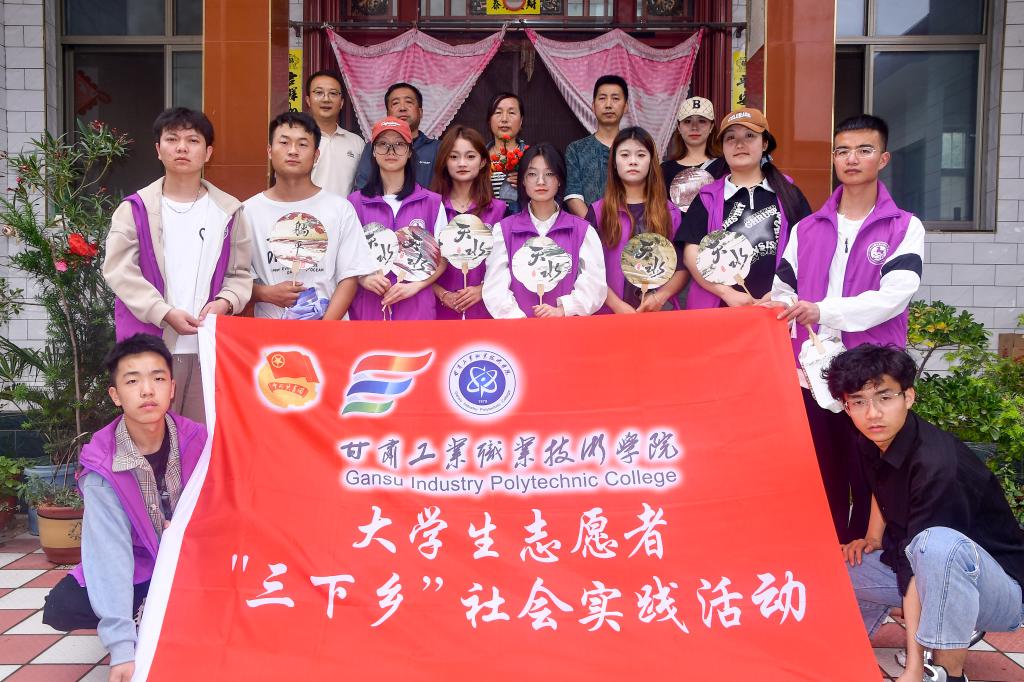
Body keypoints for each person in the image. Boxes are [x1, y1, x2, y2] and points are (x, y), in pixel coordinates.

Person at [770, 114, 924, 543]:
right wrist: (778, 307)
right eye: (842, 151)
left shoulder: (903, 226)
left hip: (873, 374)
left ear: (883, 158)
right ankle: (827, 554)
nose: (851, 159)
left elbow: (895, 296)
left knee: (873, 472)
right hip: (812, 373)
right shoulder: (807, 228)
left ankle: (872, 557)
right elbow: (783, 292)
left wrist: (822, 311)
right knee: (822, 473)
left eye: (864, 150)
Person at [830, 345, 1024, 682]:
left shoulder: (938, 465)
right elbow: (881, 484)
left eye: (884, 397)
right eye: (858, 402)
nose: (872, 413)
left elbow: (920, 566)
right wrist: (872, 538)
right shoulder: (872, 440)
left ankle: (947, 672)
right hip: (928, 563)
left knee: (933, 546)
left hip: (1000, 593)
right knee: (835, 567)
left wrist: (913, 669)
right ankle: (846, 651)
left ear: (908, 397)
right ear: (846, 407)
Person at [41, 335, 208, 682]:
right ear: (116, 395)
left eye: (158, 378)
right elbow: (109, 554)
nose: (147, 390)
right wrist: (121, 649)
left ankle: (178, 616)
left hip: (194, 560)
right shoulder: (103, 466)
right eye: (132, 381)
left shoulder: (202, 441)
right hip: (140, 564)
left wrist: (184, 533)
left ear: (172, 388)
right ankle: (141, 619)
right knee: (63, 605)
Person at [103, 108, 252, 425]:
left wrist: (225, 302)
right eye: (172, 139)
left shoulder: (229, 211)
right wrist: (163, 312)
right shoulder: (135, 209)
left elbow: (240, 274)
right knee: (151, 434)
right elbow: (119, 271)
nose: (182, 147)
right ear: (158, 149)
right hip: (149, 346)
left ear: (208, 152)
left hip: (207, 348)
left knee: (201, 437)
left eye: (193, 140)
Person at [245, 111, 377, 321]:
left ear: (316, 155)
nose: (293, 151)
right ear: (269, 151)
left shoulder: (340, 209)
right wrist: (265, 293)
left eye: (302, 144)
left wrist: (322, 331)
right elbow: (235, 278)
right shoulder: (247, 211)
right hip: (269, 334)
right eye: (284, 143)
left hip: (328, 332)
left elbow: (349, 276)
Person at [675, 107, 811, 308]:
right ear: (723, 147)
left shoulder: (789, 193)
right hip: (720, 310)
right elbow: (691, 253)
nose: (739, 144)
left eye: (749, 136)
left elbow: (808, 248)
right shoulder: (707, 197)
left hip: (778, 310)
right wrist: (727, 293)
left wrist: (781, 291)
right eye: (731, 138)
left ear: (764, 143)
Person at [483, 143, 606, 318]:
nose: (541, 181)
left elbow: (594, 285)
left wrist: (563, 310)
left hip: (567, 328)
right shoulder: (503, 231)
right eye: (532, 174)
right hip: (517, 329)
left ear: (560, 180)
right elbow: (495, 288)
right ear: (522, 180)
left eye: (549, 174)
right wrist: (519, 320)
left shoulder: (582, 231)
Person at [349, 117, 447, 320]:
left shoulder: (432, 202)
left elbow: (443, 259)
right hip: (368, 311)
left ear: (410, 151)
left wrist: (416, 286)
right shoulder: (355, 203)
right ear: (373, 151)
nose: (391, 151)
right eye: (383, 144)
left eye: (399, 144)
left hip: (416, 311)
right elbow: (344, 257)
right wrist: (362, 279)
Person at [587, 127, 685, 313]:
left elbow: (682, 267)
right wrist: (617, 305)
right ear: (614, 162)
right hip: (608, 315)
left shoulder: (669, 212)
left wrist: (659, 297)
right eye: (625, 155)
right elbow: (587, 269)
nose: (633, 161)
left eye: (641, 155)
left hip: (657, 314)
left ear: (651, 161)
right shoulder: (598, 212)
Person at [431, 125, 507, 319]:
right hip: (439, 313)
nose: (462, 163)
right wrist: (442, 294)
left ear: (483, 162)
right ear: (444, 161)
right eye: (454, 157)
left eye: (470, 156)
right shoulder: (431, 207)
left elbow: (508, 266)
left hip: (485, 312)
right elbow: (417, 265)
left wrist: (483, 289)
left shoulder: (499, 210)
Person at [564, 75, 629, 218]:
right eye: (602, 98)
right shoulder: (576, 150)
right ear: (593, 106)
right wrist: (594, 226)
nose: (608, 105)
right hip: (589, 227)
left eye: (615, 98)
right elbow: (573, 196)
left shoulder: (636, 149)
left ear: (626, 106)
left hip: (632, 226)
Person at [354, 83, 440, 190]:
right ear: (388, 114)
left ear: (420, 112)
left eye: (409, 102)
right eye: (395, 103)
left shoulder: (437, 148)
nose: (402, 108)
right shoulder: (373, 147)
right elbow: (363, 189)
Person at [661, 96, 728, 211]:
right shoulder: (664, 170)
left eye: (702, 121)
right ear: (679, 127)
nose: (694, 127)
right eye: (687, 121)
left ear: (711, 126)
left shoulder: (725, 166)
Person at [305, 69, 364, 197]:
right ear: (308, 100)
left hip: (344, 210)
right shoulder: (298, 141)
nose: (326, 99)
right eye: (319, 92)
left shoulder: (357, 142)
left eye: (333, 93)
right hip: (304, 210)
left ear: (341, 103)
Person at [486, 92, 527, 214]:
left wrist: (529, 182)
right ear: (489, 120)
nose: (504, 119)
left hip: (521, 222)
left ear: (521, 121)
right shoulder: (478, 158)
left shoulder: (531, 157)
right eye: (498, 112)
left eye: (511, 113)